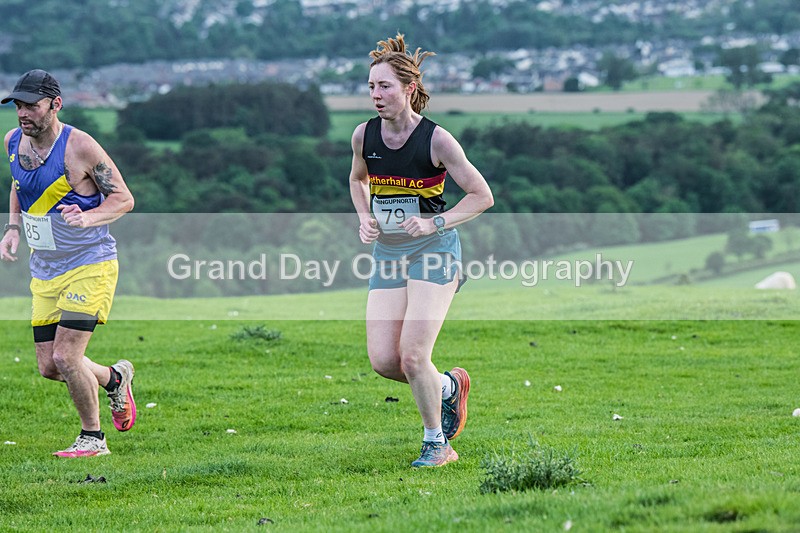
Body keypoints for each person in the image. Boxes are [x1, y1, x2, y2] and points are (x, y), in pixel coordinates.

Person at [348, 34, 494, 467]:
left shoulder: (437, 140)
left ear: (409, 89)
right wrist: (364, 216)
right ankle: (449, 387)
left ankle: (437, 444)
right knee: (385, 360)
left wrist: (436, 220)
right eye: (372, 87)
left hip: (434, 250)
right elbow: (357, 180)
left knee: (414, 355)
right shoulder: (364, 136)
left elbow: (481, 195)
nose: (376, 95)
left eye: (385, 87)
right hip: (389, 253)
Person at [0, 69, 137, 457]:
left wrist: (89, 217)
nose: (23, 113)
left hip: (90, 263)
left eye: (31, 105)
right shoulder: (13, 141)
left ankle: (93, 439)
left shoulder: (81, 147)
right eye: (18, 106)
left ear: (55, 105)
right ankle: (114, 379)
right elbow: (18, 186)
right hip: (45, 267)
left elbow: (124, 199)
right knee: (50, 367)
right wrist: (13, 229)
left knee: (67, 355)